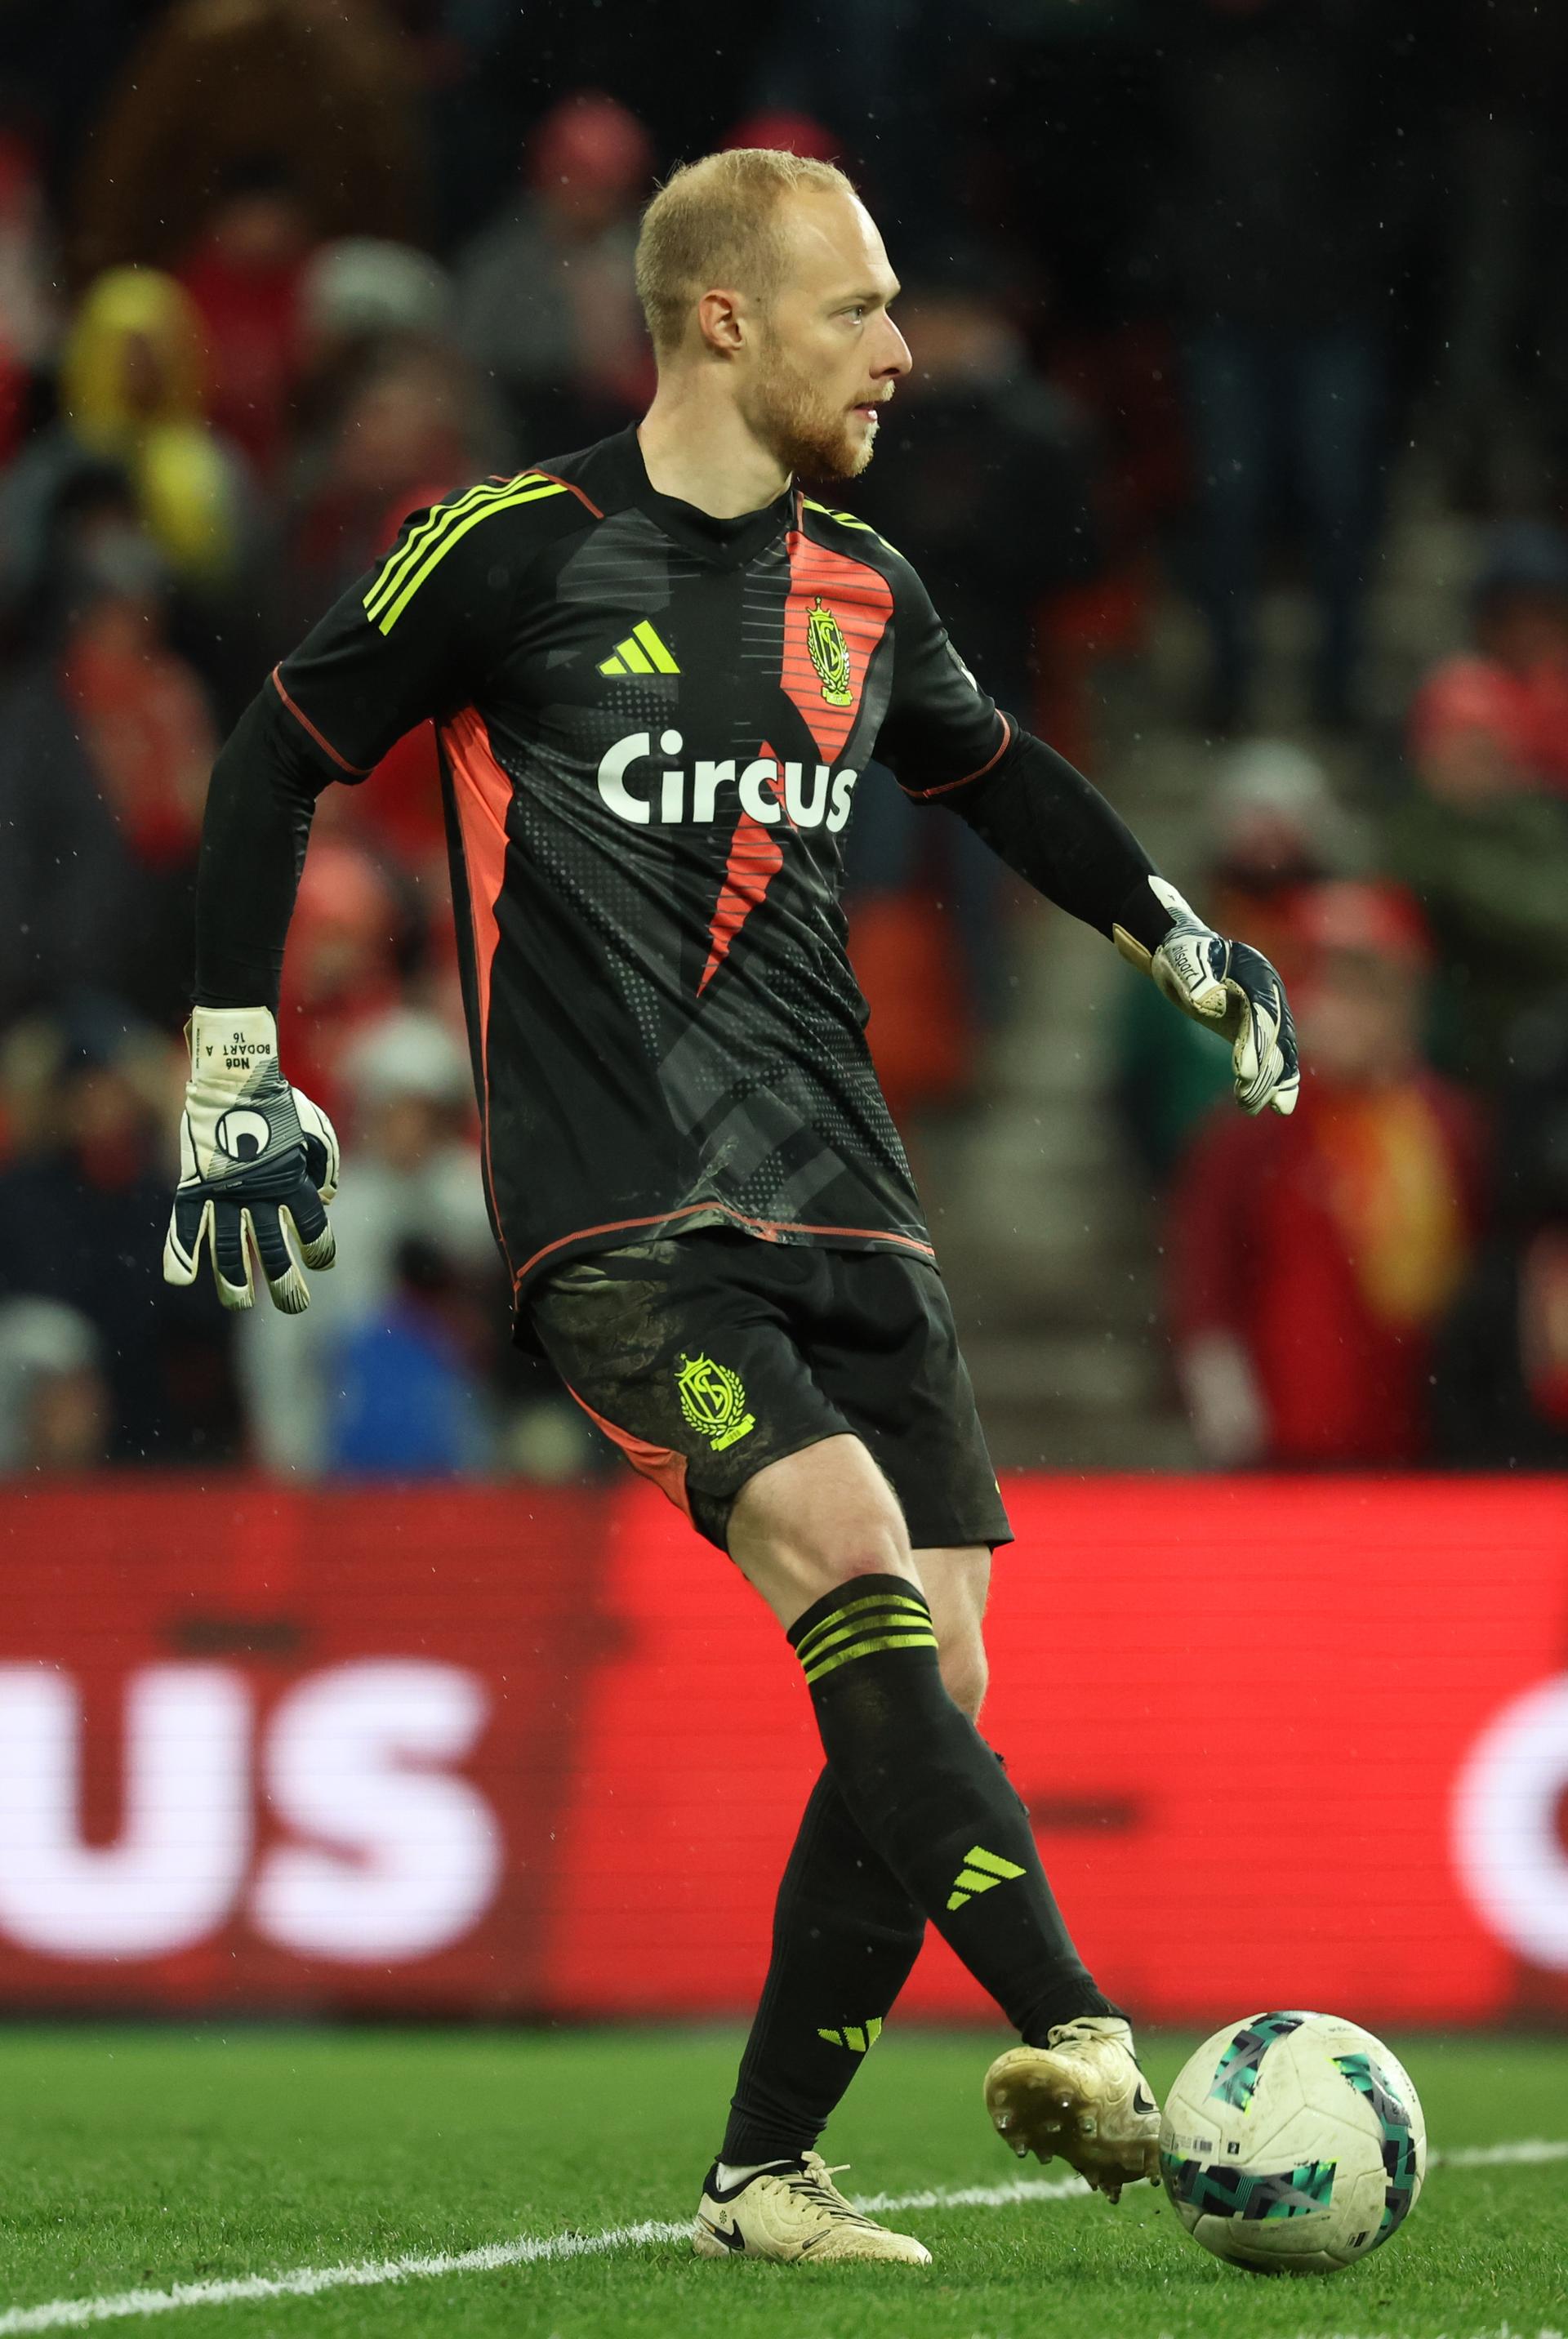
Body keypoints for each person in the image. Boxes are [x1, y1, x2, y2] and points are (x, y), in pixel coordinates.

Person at [162, 149, 1298, 2266]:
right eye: (858, 308)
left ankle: (761, 2176)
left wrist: (1175, 931)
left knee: (930, 1678)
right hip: (621, 1220)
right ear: (719, 319)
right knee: (849, 1558)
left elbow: (997, 778)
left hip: (854, 1205)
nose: (897, 351)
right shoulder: (510, 553)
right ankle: (1086, 2032)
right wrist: (238, 1064)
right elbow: (275, 755)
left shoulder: (867, 583)